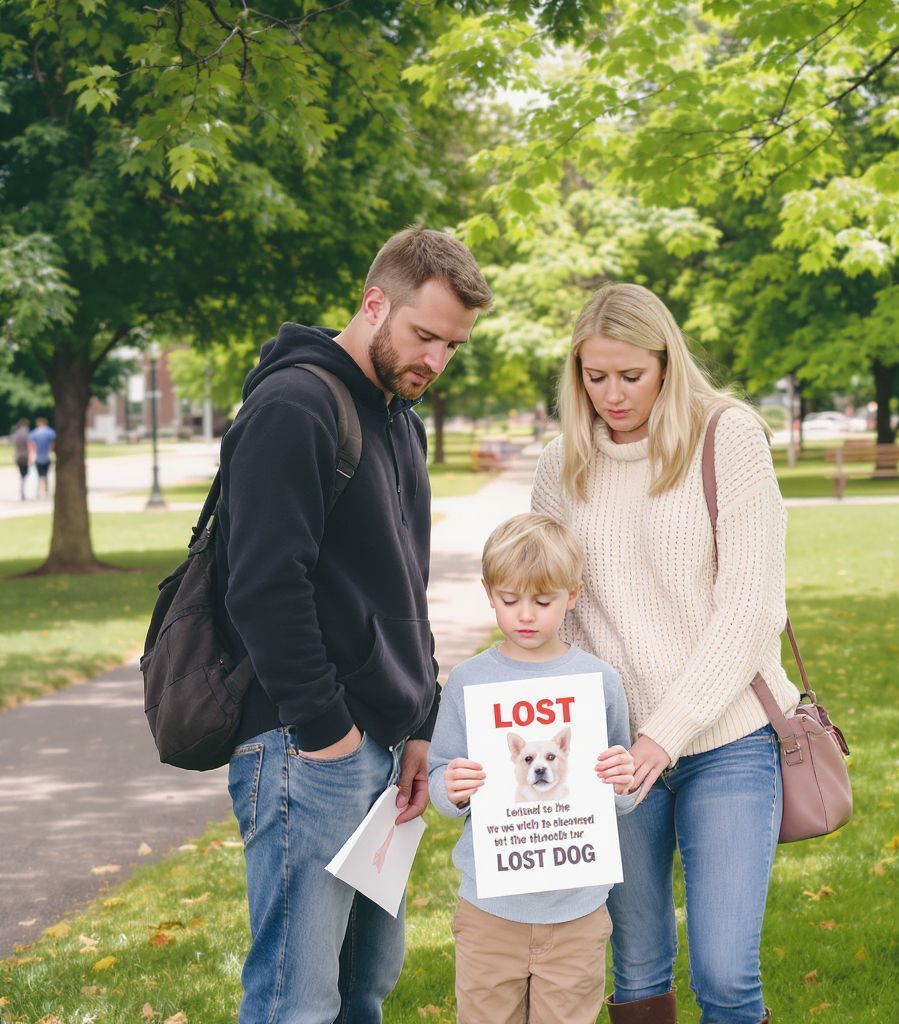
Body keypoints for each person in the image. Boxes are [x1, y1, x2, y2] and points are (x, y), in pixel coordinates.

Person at [216, 227, 492, 1024]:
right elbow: (263, 588)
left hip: (382, 753)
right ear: (376, 304)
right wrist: (327, 736)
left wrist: (419, 722)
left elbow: (403, 586)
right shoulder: (295, 405)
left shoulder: (397, 415)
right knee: (294, 1002)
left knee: (362, 990)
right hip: (308, 748)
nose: (436, 360)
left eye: (454, 346)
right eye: (425, 336)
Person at [530, 283, 801, 1024]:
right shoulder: (563, 463)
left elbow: (750, 611)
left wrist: (666, 732)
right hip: (612, 750)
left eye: (630, 376)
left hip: (727, 739)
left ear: (666, 364)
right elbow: (552, 603)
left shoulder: (728, 437)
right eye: (594, 377)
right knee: (639, 962)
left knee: (724, 970)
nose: (611, 395)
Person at [428, 512, 636, 1024]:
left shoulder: (598, 681)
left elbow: (622, 790)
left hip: (577, 911)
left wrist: (622, 778)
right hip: (489, 912)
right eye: (509, 600)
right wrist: (451, 788)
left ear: (573, 595)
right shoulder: (468, 682)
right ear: (488, 592)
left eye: (543, 602)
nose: (526, 615)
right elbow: (439, 776)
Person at [29, 417, 56, 498]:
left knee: (39, 475)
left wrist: (32, 456)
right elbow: (53, 443)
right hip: (47, 456)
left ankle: (39, 491)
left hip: (38, 457)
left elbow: (31, 446)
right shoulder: (50, 432)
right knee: (46, 474)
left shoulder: (34, 433)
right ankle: (46, 490)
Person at [11, 419, 31, 500]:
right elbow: (29, 445)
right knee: (25, 474)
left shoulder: (16, 433)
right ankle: (22, 490)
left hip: (18, 456)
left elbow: (12, 443)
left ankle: (22, 489)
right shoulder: (26, 433)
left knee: (22, 474)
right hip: (25, 456)